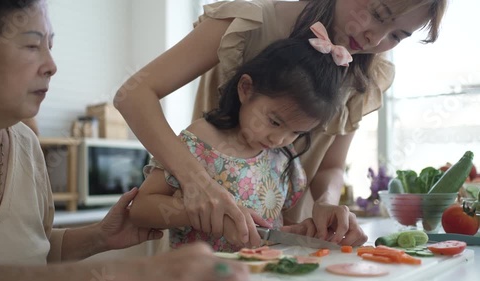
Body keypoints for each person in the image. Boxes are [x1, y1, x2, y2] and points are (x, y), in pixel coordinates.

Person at [115, 0, 447, 245]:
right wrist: (197, 183)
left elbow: (330, 168)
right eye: (378, 13)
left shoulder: (366, 71)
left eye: (398, 35)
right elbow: (134, 94)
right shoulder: (253, 19)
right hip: (200, 231)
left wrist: (328, 203)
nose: (376, 39)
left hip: (276, 240)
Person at [0, 1, 249, 280]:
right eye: (32, 46)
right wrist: (138, 272)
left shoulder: (26, 144)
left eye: (50, 47)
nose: (51, 65)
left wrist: (100, 237)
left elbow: (33, 253)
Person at [129, 26, 361, 251]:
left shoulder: (283, 160)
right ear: (246, 89)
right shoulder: (200, 141)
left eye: (296, 132)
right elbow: (140, 209)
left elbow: (269, 230)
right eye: (275, 122)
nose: (279, 139)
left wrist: (294, 234)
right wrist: (196, 211)